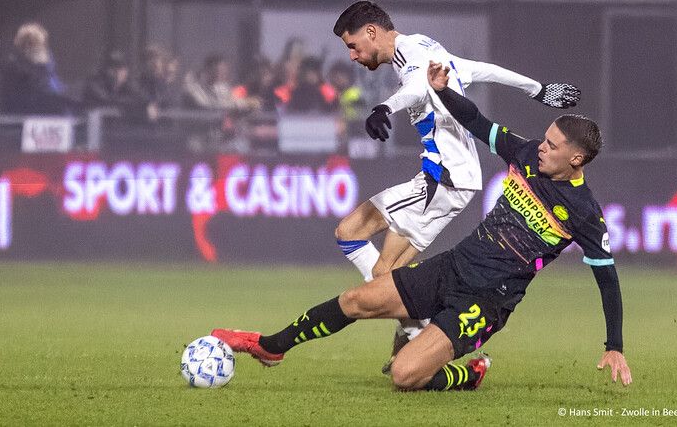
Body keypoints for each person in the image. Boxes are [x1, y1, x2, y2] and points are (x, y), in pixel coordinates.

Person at [211, 61, 632, 392]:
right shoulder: (524, 155)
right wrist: (443, 90)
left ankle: (467, 376)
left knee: (403, 374)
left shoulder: (583, 213)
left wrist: (614, 346)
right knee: (357, 299)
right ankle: (271, 347)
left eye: (553, 146)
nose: (542, 146)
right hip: (451, 268)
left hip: (485, 302)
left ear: (576, 159)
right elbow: (477, 122)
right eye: (544, 138)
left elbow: (608, 281)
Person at [330, 0, 580, 364]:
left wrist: (386, 107)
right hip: (452, 177)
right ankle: (420, 341)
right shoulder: (426, 46)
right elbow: (483, 69)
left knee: (358, 242)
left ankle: (425, 333)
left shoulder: (412, 53)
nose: (353, 55)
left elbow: (417, 88)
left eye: (353, 45)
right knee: (386, 270)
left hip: (442, 178)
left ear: (371, 32)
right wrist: (536, 88)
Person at [0, 22, 76, 115]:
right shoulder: (15, 67)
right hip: (26, 115)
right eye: (36, 45)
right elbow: (40, 90)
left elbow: (55, 87)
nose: (41, 49)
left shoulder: (47, 65)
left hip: (46, 112)